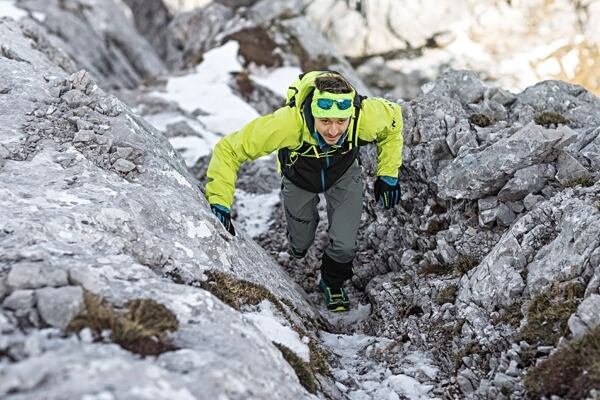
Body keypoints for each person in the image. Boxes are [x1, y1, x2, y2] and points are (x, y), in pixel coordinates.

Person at [205, 70, 403, 312]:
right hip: (298, 176)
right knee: (301, 240)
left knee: (345, 244)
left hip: (343, 173)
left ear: (351, 115)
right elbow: (229, 149)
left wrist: (388, 174)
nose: (333, 131)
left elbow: (393, 124)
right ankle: (298, 242)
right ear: (313, 114)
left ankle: (331, 282)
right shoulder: (288, 123)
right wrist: (219, 201)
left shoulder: (366, 116)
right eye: (325, 121)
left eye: (341, 122)